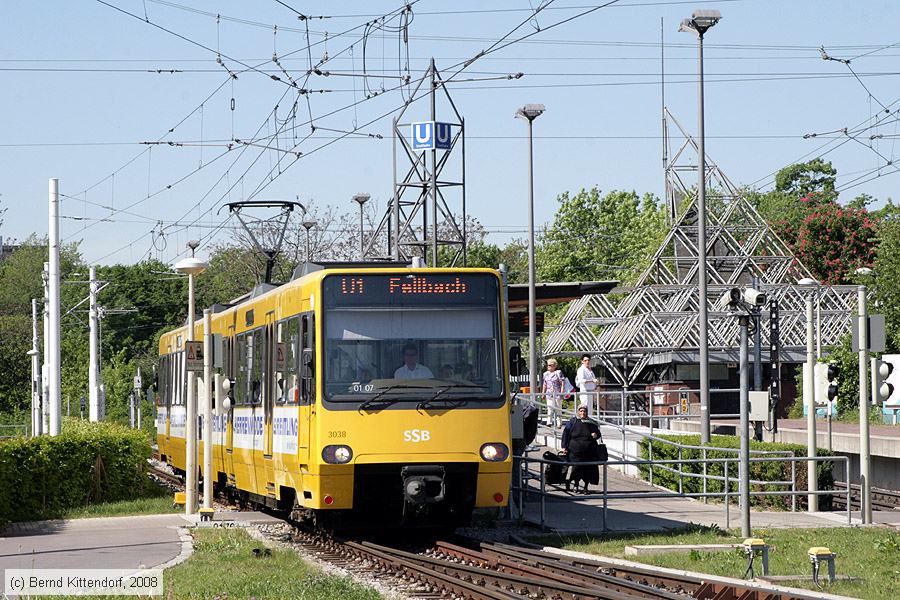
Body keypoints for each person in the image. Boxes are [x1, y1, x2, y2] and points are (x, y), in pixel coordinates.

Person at [561, 405, 602, 493]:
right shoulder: (573, 421)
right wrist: (564, 447)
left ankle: (585, 487)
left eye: (584, 411)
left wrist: (596, 435)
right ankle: (575, 484)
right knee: (576, 468)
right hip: (575, 450)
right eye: (581, 411)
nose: (582, 413)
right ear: (578, 412)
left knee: (588, 469)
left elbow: (598, 434)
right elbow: (566, 434)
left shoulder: (591, 422)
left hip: (589, 451)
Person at [542, 358, 566, 427]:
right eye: (548, 365)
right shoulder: (545, 374)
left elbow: (562, 383)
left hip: (557, 392)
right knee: (549, 408)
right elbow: (545, 384)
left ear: (554, 366)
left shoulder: (558, 373)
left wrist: (562, 392)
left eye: (550, 365)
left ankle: (559, 423)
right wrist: (543, 393)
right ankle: (549, 422)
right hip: (549, 393)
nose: (548, 366)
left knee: (558, 408)